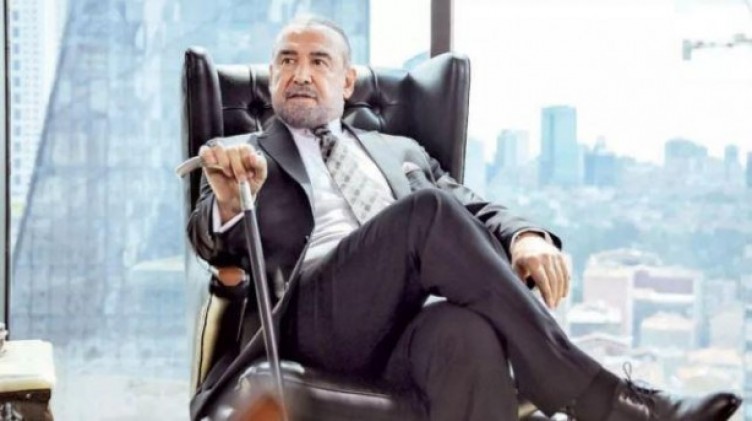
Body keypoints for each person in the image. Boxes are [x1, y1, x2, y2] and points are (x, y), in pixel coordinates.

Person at [186, 15, 742, 421]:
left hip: (403, 328)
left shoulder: (402, 152)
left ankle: (592, 396)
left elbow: (474, 207)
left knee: (465, 333)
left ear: (347, 82)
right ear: (272, 77)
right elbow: (208, 237)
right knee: (426, 212)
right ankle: (604, 400)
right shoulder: (242, 153)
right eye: (286, 60)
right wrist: (231, 202)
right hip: (310, 323)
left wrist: (525, 236)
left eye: (318, 61)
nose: (300, 73)